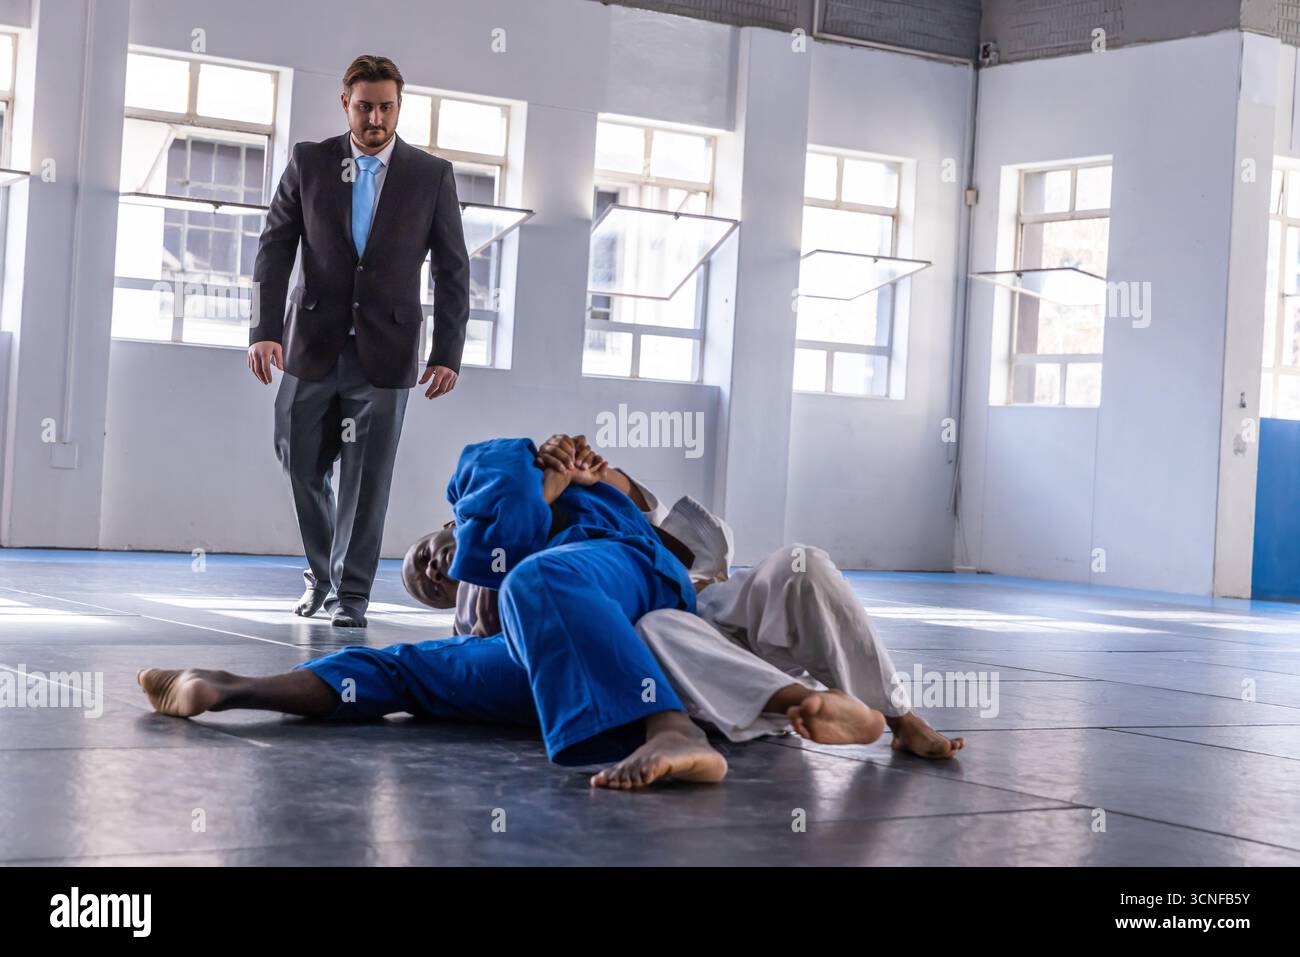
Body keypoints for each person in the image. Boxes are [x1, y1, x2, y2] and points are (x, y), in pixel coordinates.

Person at [248, 54, 470, 629]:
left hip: (388, 352)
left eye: (386, 106)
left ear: (399, 106)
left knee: (367, 483)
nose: (376, 117)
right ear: (344, 103)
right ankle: (322, 571)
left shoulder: (430, 175)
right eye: (365, 105)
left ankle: (351, 595)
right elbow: (274, 249)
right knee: (299, 460)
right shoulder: (309, 162)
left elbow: (453, 269)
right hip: (310, 344)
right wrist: (264, 331)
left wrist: (447, 352)